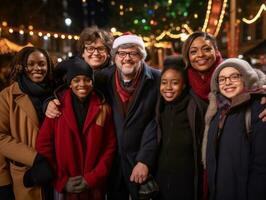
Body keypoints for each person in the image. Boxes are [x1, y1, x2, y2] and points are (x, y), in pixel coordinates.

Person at [36, 57, 116, 200]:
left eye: (87, 79)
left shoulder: (104, 108)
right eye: (76, 80)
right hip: (65, 185)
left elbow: (109, 147)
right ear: (70, 84)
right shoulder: (56, 107)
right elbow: (44, 146)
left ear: (92, 82)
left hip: (94, 186)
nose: (82, 84)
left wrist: (92, 178)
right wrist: (61, 180)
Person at [95, 33, 160, 200]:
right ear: (114, 57)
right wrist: (51, 101)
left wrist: (145, 160)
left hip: (143, 162)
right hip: (112, 163)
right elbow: (72, 85)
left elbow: (157, 122)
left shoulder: (157, 80)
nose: (127, 58)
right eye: (122, 53)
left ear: (142, 57)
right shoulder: (102, 78)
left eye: (133, 53)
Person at [202, 58, 266, 200]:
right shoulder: (217, 112)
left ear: (246, 78)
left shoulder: (258, 108)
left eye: (234, 77)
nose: (227, 82)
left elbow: (262, 165)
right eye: (222, 79)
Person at [0, 47, 55, 200]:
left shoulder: (56, 92)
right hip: (26, 174)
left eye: (42, 64)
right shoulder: (7, 96)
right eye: (31, 64)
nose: (37, 68)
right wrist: (35, 158)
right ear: (22, 67)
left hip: (57, 173)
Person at [182, 31, 266, 121]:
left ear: (216, 51)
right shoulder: (182, 80)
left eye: (206, 49)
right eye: (193, 52)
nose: (200, 55)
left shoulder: (233, 70)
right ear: (188, 56)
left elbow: (257, 79)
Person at [155, 55, 206, 200]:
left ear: (184, 85)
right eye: (164, 82)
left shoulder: (195, 108)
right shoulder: (159, 107)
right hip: (161, 180)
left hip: (187, 181)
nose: (168, 88)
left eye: (175, 83)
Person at [46, 26, 114, 119]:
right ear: (82, 52)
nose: (96, 53)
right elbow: (51, 91)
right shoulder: (66, 70)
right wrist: (49, 102)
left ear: (108, 53)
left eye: (101, 48)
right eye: (90, 48)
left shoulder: (115, 75)